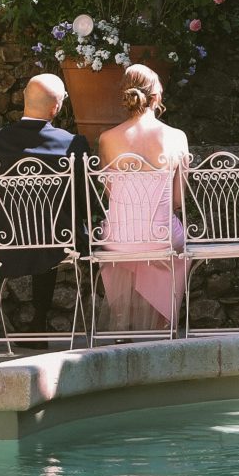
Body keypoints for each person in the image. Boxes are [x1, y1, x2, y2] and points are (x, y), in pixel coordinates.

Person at [0, 72, 89, 334]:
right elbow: (84, 199)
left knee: (43, 232)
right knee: (50, 233)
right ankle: (41, 320)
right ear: (56, 107)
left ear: (23, 100)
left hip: (4, 239)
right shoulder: (74, 145)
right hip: (58, 241)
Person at [95, 63, 190, 333]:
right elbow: (177, 199)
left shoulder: (107, 138)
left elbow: (111, 192)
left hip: (118, 237)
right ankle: (161, 324)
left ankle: (124, 320)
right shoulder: (175, 137)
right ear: (156, 97)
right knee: (178, 244)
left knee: (128, 237)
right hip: (160, 236)